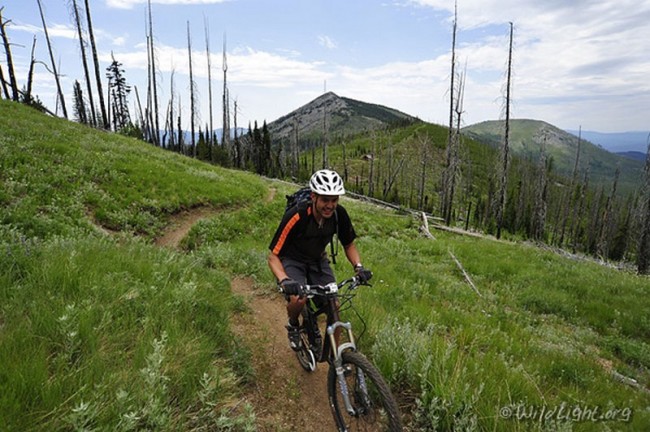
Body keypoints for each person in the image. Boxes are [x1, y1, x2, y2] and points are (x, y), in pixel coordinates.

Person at [268, 169, 372, 351]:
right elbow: (273, 256)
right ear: (314, 196)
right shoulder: (297, 215)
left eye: (334, 200)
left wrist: (359, 267)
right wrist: (285, 280)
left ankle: (335, 358)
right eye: (325, 199)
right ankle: (293, 324)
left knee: (334, 305)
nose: (330, 205)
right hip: (292, 260)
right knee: (298, 299)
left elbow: (349, 245)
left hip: (317, 260)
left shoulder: (339, 215)